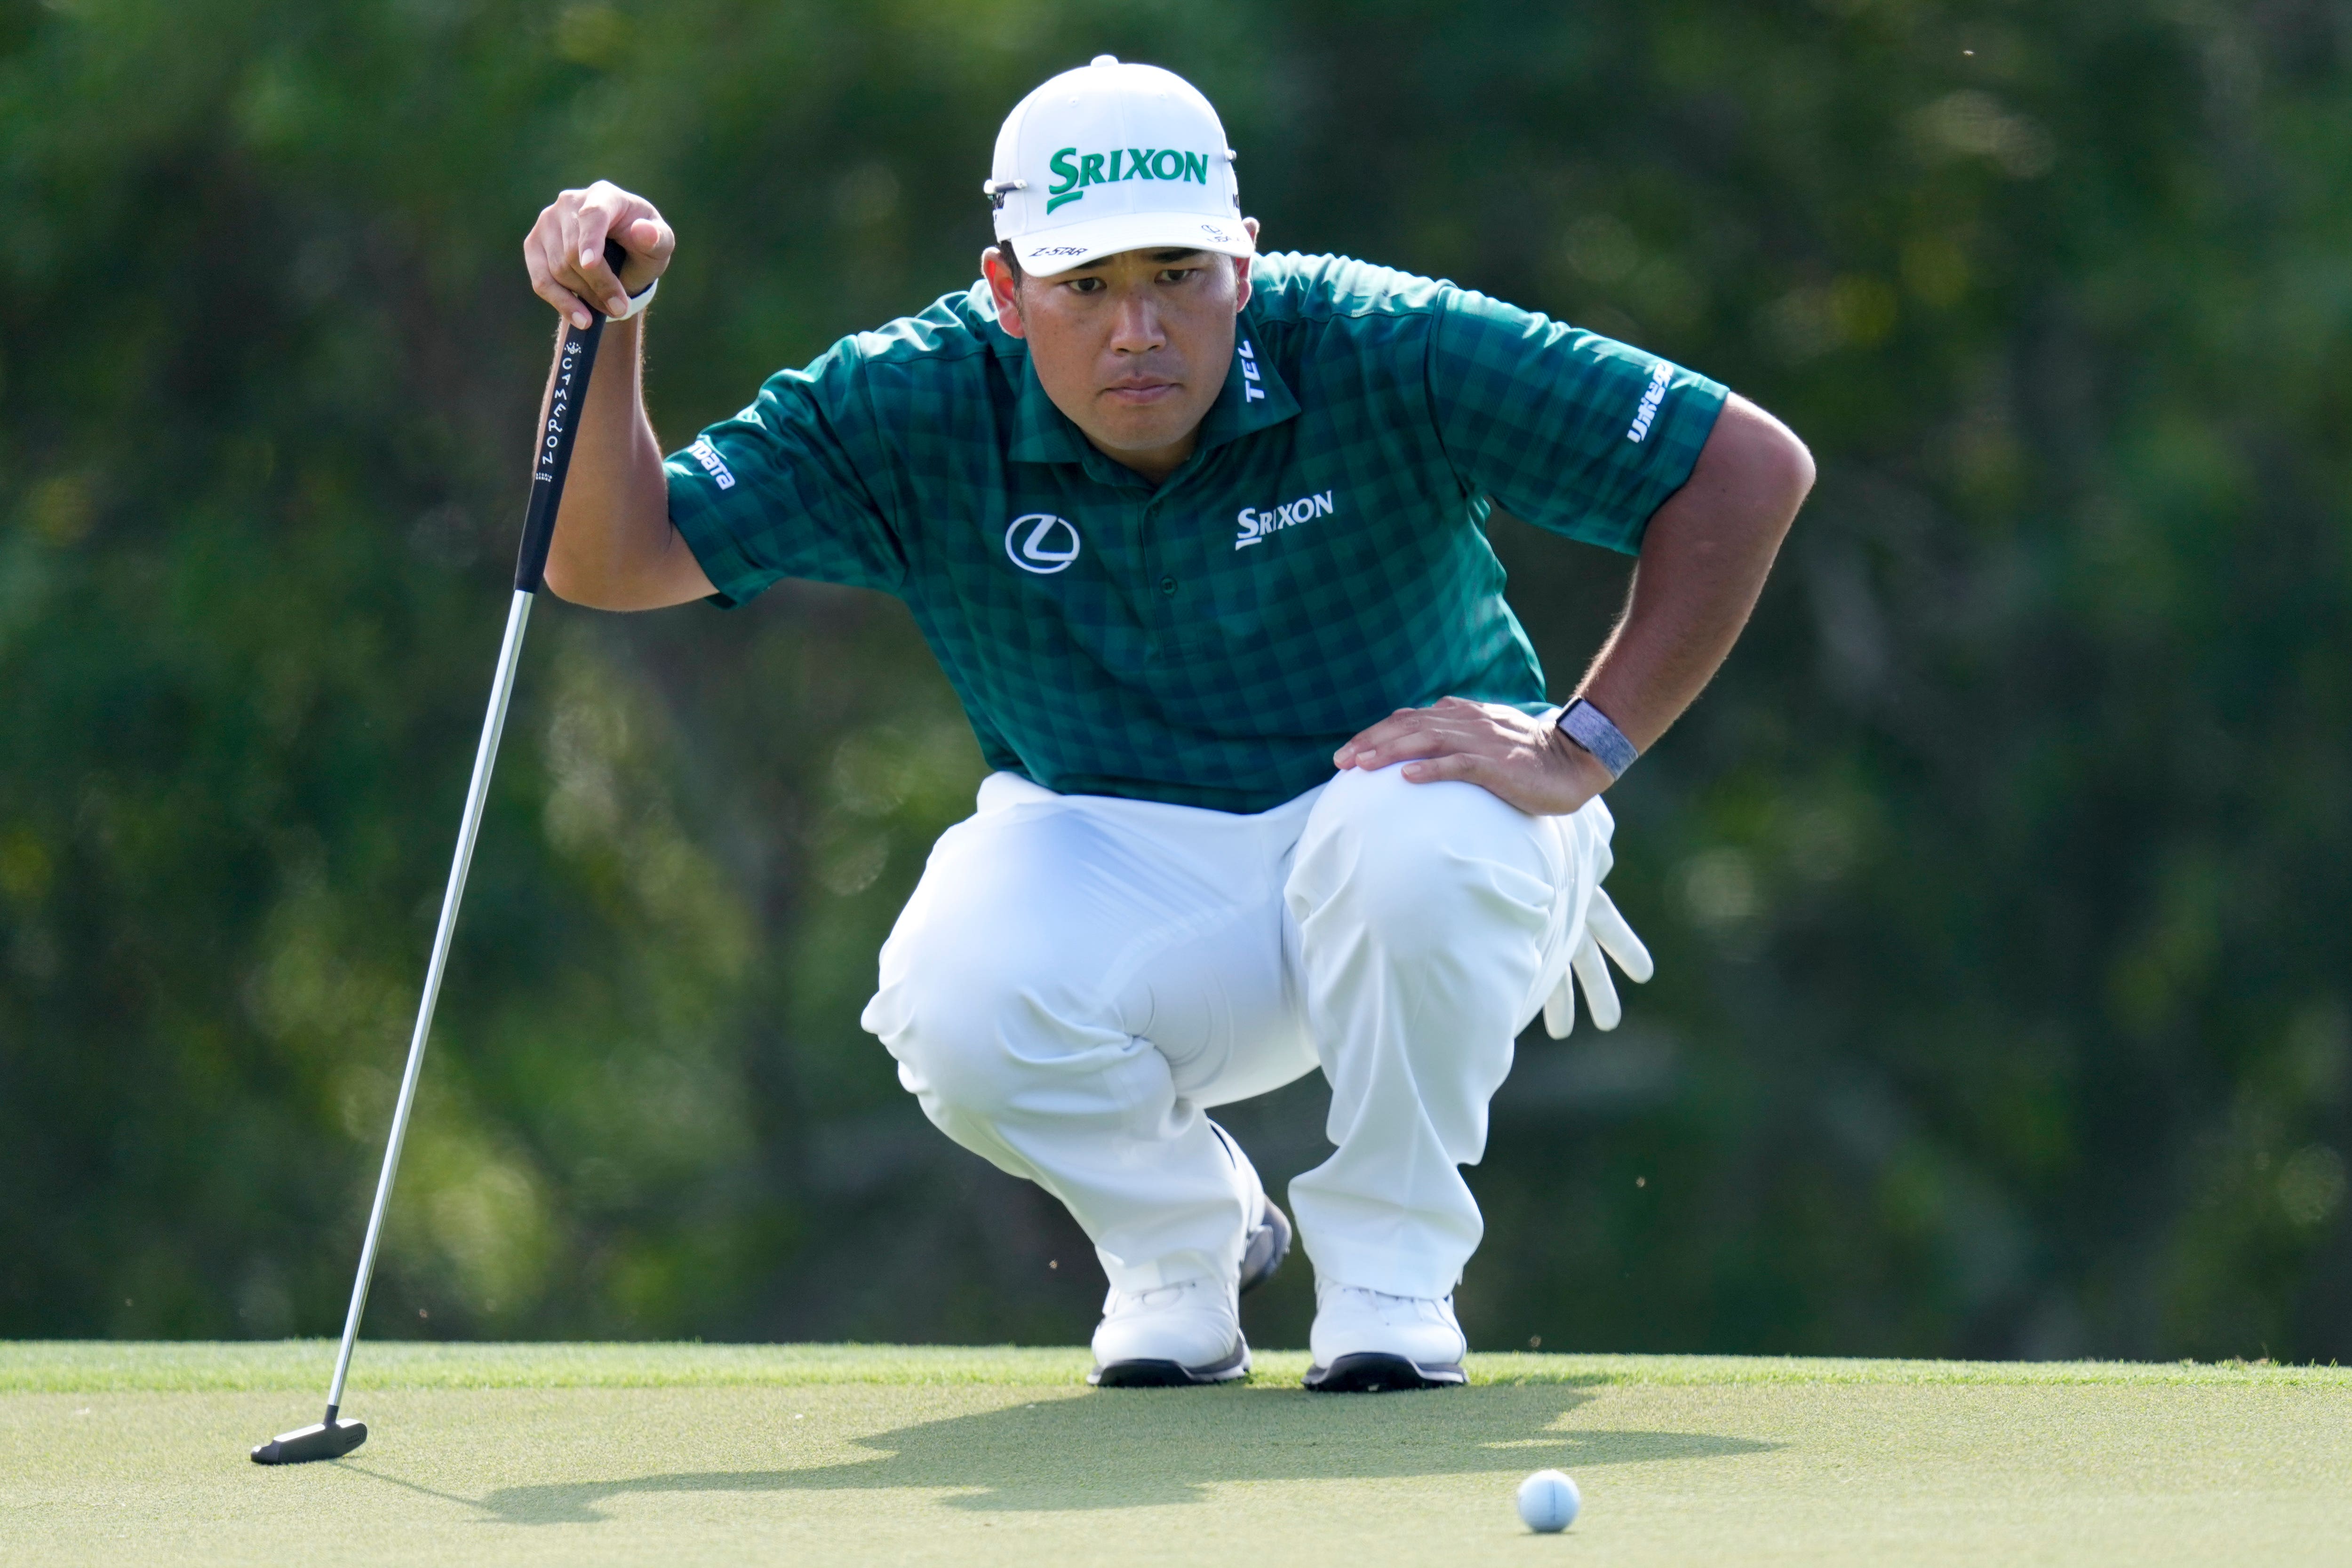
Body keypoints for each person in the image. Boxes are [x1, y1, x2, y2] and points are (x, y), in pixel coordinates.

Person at [521, 56, 1811, 1392]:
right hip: (1129, 860)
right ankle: (1182, 1251)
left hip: (1432, 847)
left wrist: (1582, 745)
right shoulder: (907, 401)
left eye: (1176, 276)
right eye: (1086, 286)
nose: (1137, 329)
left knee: (1412, 833)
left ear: (1243, 265)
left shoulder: (1383, 341)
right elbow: (616, 560)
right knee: (954, 996)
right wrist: (607, 320)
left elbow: (1743, 466)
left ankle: (1390, 1280)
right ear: (1006, 291)